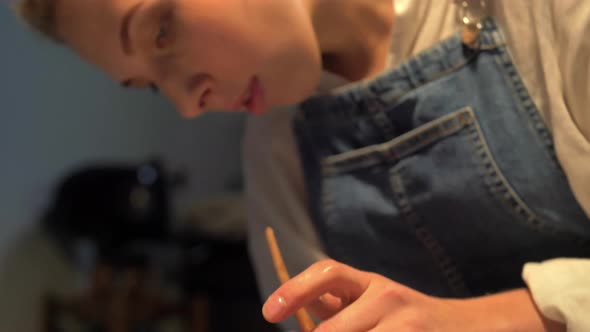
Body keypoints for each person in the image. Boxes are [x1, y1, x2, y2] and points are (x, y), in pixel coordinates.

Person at [15, 0, 590, 331]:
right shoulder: (277, 160)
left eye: (162, 29)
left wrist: (500, 319)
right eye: (146, 86)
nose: (188, 105)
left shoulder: (541, 13)